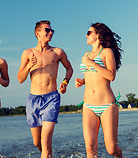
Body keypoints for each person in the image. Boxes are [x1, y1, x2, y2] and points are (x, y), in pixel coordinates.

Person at [17, 20, 73, 158]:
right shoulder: (27, 53)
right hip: (33, 100)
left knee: (46, 139)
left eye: (51, 30)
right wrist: (29, 66)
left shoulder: (58, 52)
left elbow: (69, 68)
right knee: (37, 142)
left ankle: (47, 154)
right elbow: (20, 78)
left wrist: (65, 81)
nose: (50, 33)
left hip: (51, 98)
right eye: (47, 30)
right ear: (38, 33)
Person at [75, 22, 123, 158]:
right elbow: (93, 76)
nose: (86, 35)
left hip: (107, 105)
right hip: (88, 105)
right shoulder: (86, 54)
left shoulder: (107, 52)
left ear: (98, 35)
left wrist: (92, 63)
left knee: (112, 149)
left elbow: (111, 76)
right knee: (90, 148)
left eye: (89, 32)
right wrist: (83, 81)